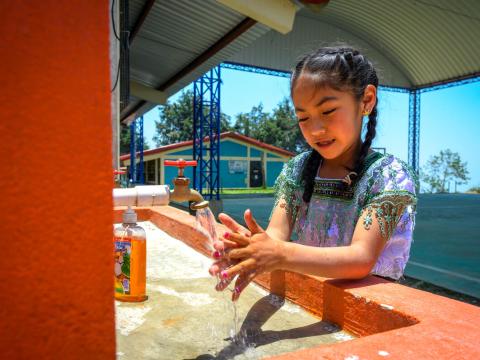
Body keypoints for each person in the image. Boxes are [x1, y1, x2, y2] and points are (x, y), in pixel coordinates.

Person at [209, 46, 418, 301]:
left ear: (366, 101)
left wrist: (280, 254)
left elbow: (361, 258)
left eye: (328, 111)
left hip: (372, 310)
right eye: (303, 117)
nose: (316, 129)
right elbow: (276, 235)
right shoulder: (297, 169)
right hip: (310, 302)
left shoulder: (388, 176)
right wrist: (250, 247)